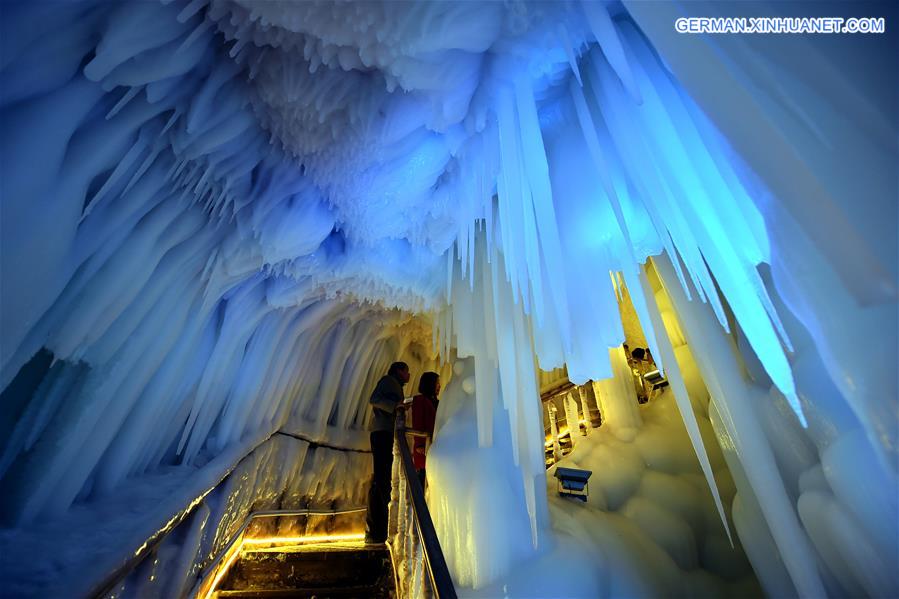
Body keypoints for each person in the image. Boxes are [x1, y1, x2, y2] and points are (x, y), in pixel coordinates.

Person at [365, 361, 410, 543]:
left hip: (386, 432)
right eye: (407, 372)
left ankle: (378, 527)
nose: (409, 376)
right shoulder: (388, 381)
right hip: (382, 432)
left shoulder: (395, 384)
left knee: (383, 478)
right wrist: (396, 405)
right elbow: (374, 399)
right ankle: (375, 528)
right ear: (399, 371)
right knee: (382, 478)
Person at [410, 372, 440, 490]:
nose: (439, 386)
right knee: (423, 481)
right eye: (437, 383)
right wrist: (420, 444)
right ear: (430, 384)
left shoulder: (436, 402)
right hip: (424, 448)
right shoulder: (420, 400)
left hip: (433, 446)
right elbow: (418, 423)